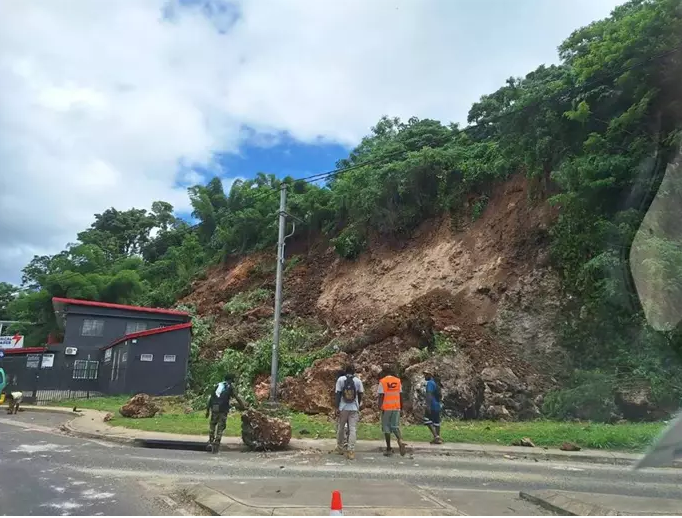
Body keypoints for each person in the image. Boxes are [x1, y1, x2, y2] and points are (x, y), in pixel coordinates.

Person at [205, 373, 246, 453]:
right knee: (221, 426)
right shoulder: (229, 386)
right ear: (230, 379)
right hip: (223, 408)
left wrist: (207, 410)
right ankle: (216, 443)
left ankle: (210, 441)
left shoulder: (218, 385)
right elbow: (236, 397)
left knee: (212, 424)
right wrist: (243, 406)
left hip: (214, 407)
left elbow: (211, 397)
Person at [335, 364, 364, 460]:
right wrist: (358, 404)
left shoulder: (340, 380)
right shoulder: (358, 381)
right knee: (352, 429)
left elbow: (338, 394)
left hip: (343, 407)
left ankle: (340, 448)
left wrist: (337, 407)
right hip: (353, 408)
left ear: (345, 370)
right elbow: (360, 394)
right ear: (354, 372)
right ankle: (351, 450)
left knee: (341, 427)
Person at [377, 365, 406, 456]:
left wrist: (379, 407)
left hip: (386, 407)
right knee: (394, 426)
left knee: (386, 428)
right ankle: (400, 440)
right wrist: (401, 407)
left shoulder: (383, 381)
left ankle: (389, 449)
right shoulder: (398, 381)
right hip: (396, 407)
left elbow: (381, 396)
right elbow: (400, 395)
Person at [423, 371, 443, 444]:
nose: (424, 375)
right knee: (436, 422)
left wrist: (428, 405)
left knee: (427, 420)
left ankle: (436, 437)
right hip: (437, 405)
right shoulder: (436, 383)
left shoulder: (430, 383)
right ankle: (438, 438)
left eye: (426, 374)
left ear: (430, 375)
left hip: (432, 405)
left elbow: (429, 394)